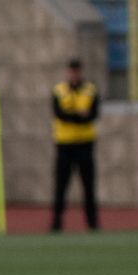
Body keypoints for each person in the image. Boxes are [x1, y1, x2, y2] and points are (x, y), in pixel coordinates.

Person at [50, 58, 101, 232]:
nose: (74, 74)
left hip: (85, 144)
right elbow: (59, 114)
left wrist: (73, 115)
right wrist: (79, 116)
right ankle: (56, 223)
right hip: (64, 145)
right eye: (71, 71)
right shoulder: (59, 90)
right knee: (61, 185)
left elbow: (93, 114)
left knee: (89, 185)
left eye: (77, 71)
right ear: (67, 72)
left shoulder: (90, 90)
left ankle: (92, 223)